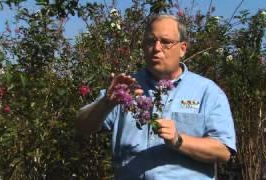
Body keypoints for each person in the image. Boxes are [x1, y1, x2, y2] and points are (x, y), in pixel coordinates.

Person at [76, 14, 236, 180]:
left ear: (182, 49)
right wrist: (106, 102)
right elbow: (82, 126)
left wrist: (178, 140)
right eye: (150, 41)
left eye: (165, 42)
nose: (157, 48)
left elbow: (223, 151)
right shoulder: (125, 87)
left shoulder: (207, 92)